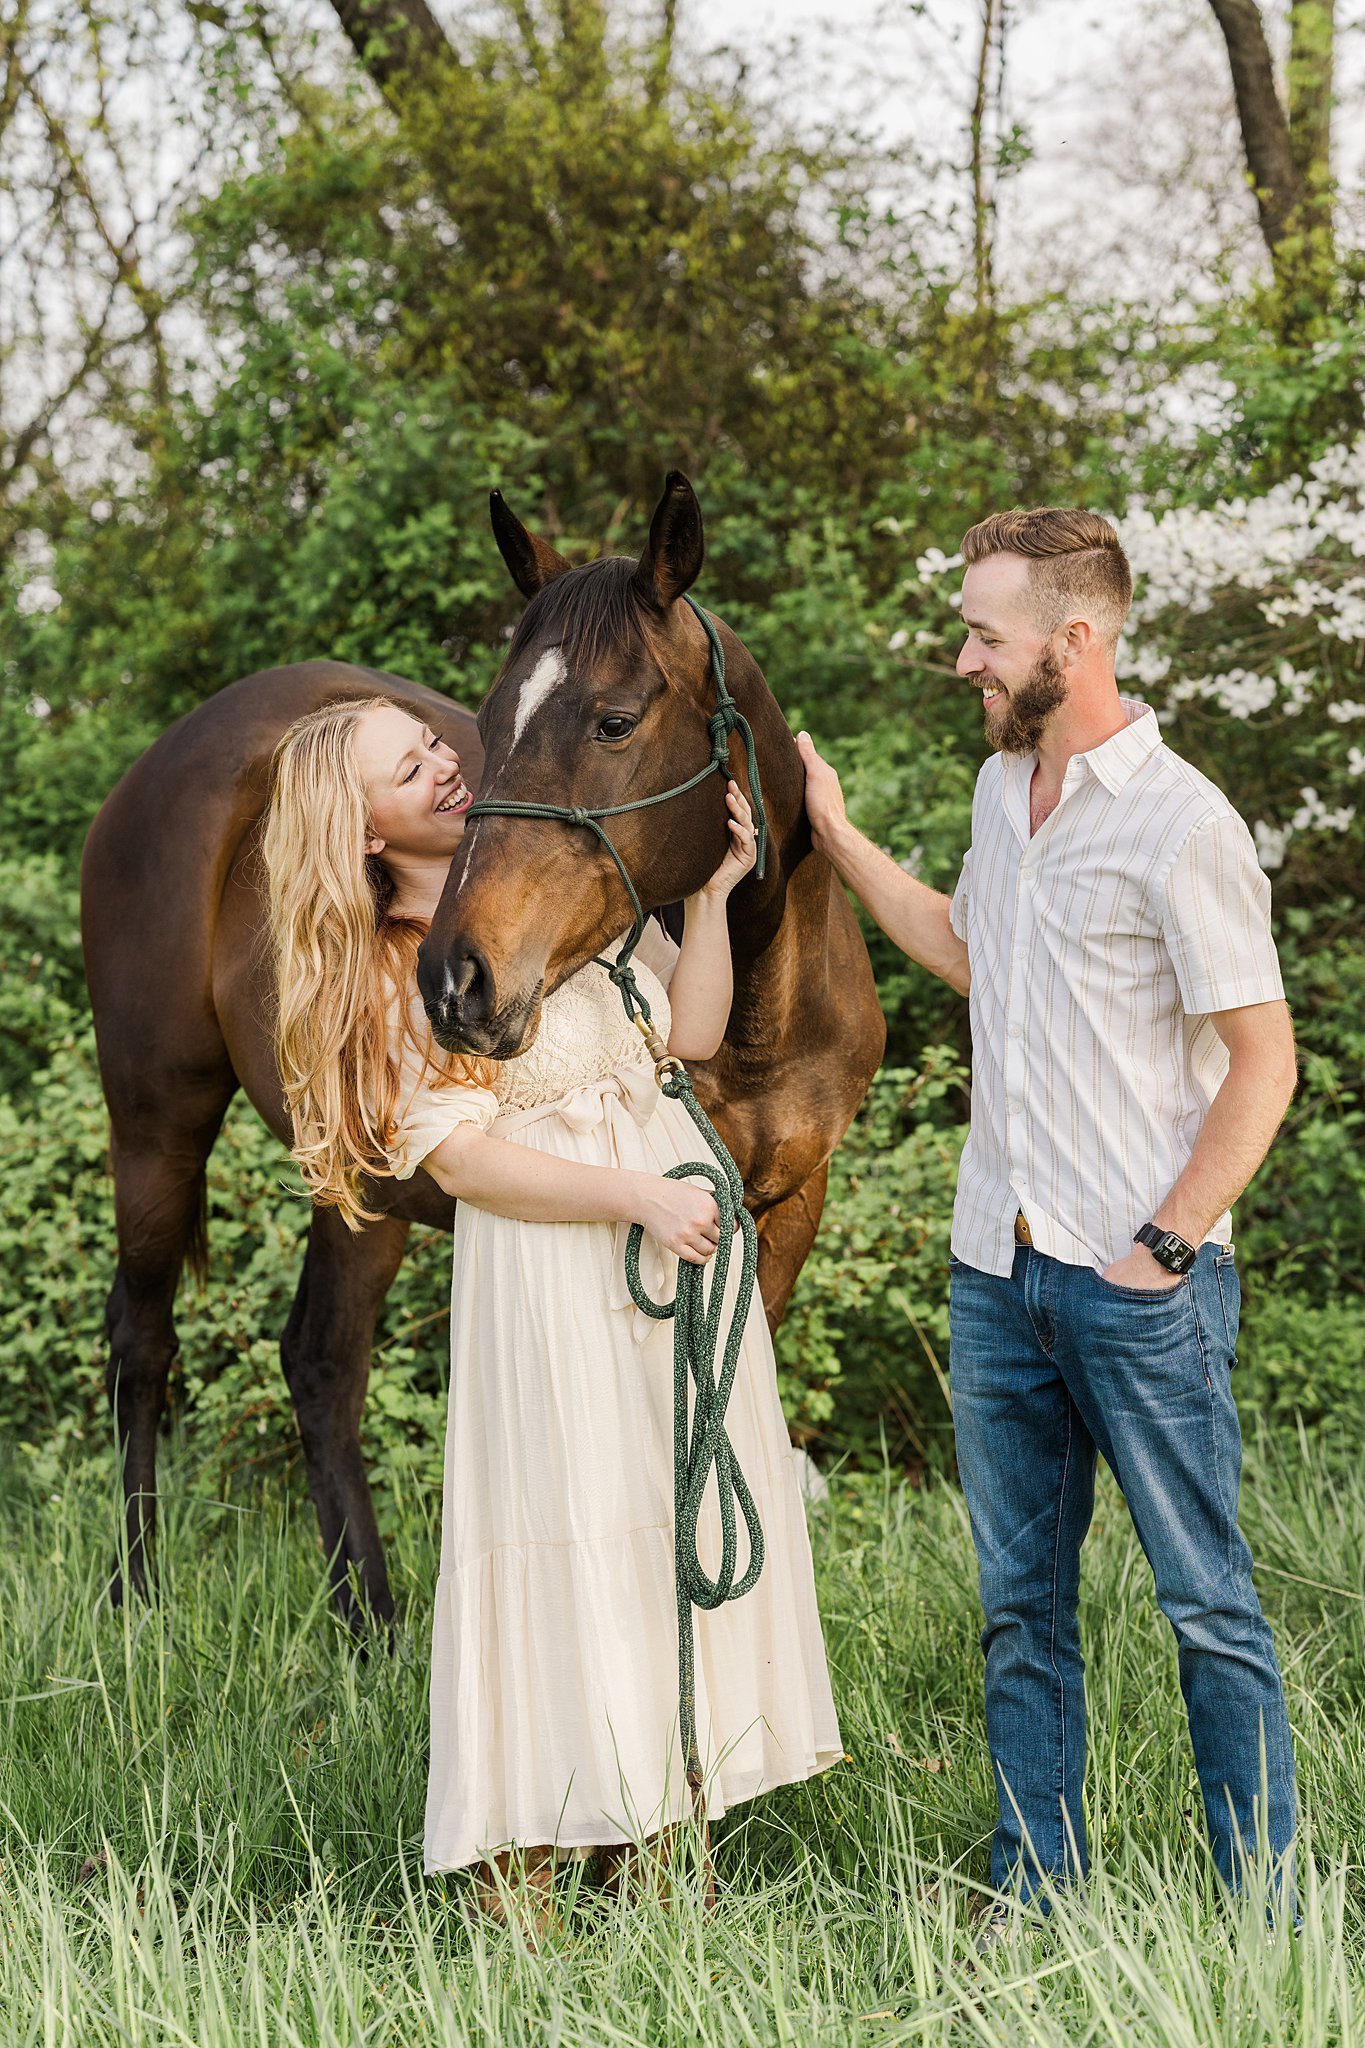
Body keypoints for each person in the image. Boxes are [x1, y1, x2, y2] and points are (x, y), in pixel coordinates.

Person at [797, 507, 1299, 1927]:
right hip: (994, 1277)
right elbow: (970, 954)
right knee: (1022, 1615)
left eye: (985, 634)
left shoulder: (1180, 823)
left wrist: (1167, 1245)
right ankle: (1034, 1896)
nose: (964, 657)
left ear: (1073, 643)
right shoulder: (996, 794)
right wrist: (832, 834)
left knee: (1206, 1608)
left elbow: (1263, 1061)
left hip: (1136, 1287)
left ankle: (1264, 1915)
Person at [262, 695, 841, 1926]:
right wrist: (631, 1193)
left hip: (660, 1256)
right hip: (558, 1275)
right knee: (568, 1542)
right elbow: (462, 1164)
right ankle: (525, 1855)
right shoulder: (396, 962)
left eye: (431, 747)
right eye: (405, 768)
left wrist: (706, 895)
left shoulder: (549, 894)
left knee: (656, 1533)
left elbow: (681, 1035)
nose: (442, 765)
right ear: (360, 829)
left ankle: (658, 1835)